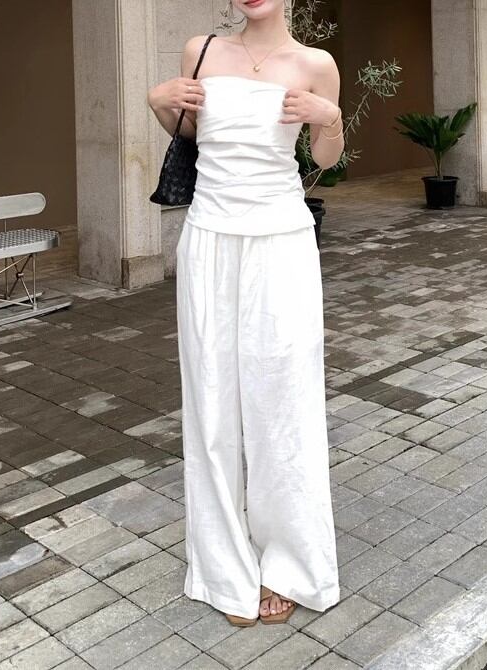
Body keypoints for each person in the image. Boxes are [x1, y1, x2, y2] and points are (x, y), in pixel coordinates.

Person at [147, 0, 343, 627]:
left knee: (283, 401)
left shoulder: (316, 63)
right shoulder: (200, 50)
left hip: (281, 241)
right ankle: (223, 569)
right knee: (210, 400)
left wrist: (331, 117)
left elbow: (326, 158)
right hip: (209, 238)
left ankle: (290, 565)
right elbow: (191, 134)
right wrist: (161, 105)